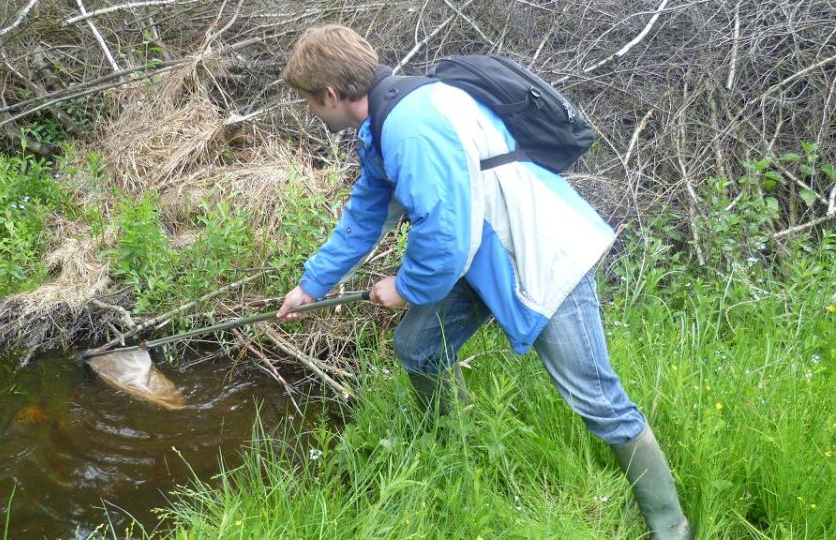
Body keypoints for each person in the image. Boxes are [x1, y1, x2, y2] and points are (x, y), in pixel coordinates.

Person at [275, 24, 693, 540]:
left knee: (597, 397)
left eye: (311, 104)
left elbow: (446, 235)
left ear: (332, 95)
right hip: (484, 255)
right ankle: (457, 451)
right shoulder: (388, 120)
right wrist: (312, 285)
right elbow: (367, 214)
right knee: (419, 346)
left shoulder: (412, 125)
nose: (313, 114)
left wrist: (404, 288)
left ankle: (671, 524)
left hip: (541, 254)